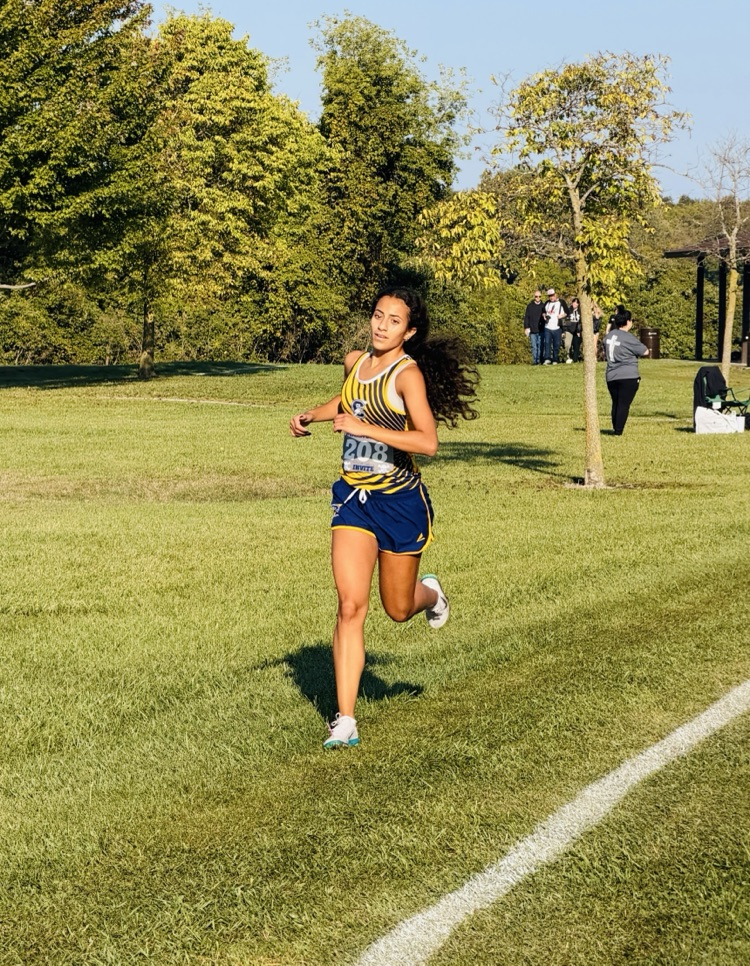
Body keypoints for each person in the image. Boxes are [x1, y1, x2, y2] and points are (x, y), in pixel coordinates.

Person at [289, 288, 479, 749]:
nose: (382, 325)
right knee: (351, 605)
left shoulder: (407, 375)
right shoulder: (356, 362)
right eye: (378, 315)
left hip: (399, 502)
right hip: (354, 498)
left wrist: (362, 428)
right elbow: (349, 400)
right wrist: (312, 415)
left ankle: (430, 593)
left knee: (396, 609)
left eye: (394, 321)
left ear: (409, 332)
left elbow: (427, 442)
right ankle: (346, 720)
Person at [602, 309, 649, 435]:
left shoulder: (609, 336)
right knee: (623, 404)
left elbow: (603, 349)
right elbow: (645, 351)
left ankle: (615, 427)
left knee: (616, 402)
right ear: (628, 322)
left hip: (611, 375)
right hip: (628, 375)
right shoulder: (628, 338)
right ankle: (618, 431)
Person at [542, 289, 567, 364]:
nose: (551, 297)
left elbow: (567, 312)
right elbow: (543, 311)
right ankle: (547, 358)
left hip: (557, 327)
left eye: (552, 295)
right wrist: (544, 316)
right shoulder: (547, 303)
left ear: (555, 294)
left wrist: (561, 315)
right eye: (550, 296)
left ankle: (555, 359)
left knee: (556, 344)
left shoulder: (561, 302)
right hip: (548, 327)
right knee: (547, 343)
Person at [523, 290, 546, 365]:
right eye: (536, 296)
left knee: (540, 346)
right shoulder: (530, 306)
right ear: (534, 297)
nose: (538, 298)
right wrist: (526, 327)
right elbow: (526, 317)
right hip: (532, 330)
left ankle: (540, 360)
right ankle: (534, 361)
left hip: (541, 330)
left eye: (539, 296)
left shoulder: (543, 306)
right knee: (534, 346)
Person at [564, 297, 582, 362]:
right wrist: (565, 330)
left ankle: (575, 359)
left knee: (576, 345)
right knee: (567, 345)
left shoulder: (580, 312)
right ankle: (568, 357)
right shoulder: (568, 310)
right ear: (572, 303)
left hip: (577, 331)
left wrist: (579, 330)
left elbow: (580, 322)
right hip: (569, 330)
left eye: (577, 303)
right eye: (574, 302)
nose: (575, 304)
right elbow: (565, 321)